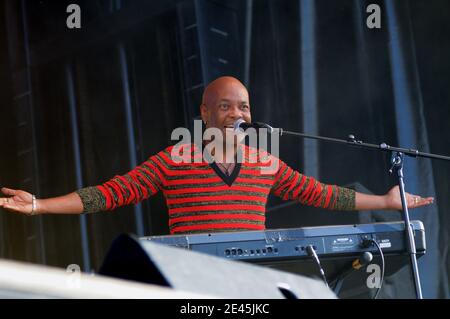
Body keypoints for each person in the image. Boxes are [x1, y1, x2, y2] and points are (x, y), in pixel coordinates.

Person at [0, 76, 434, 234]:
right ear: (204, 113)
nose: (236, 112)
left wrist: (385, 202)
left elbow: (320, 194)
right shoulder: (175, 159)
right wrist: (39, 205)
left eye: (243, 106)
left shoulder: (266, 162)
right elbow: (110, 194)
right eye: (225, 105)